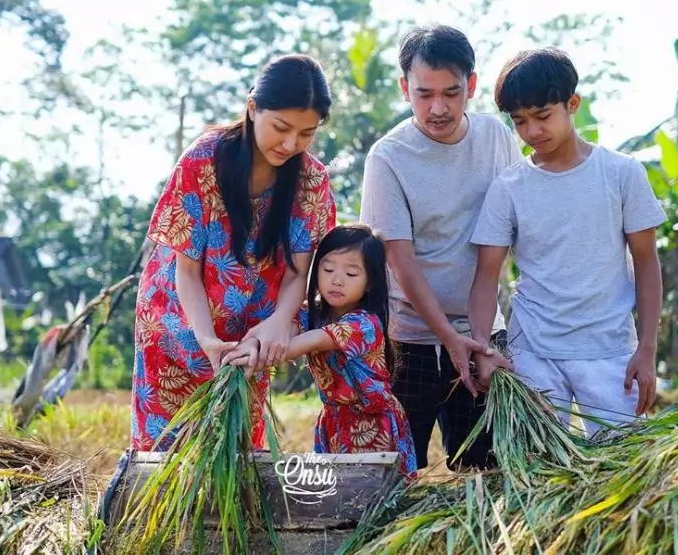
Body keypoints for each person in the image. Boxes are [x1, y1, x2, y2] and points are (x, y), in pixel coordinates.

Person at [130, 53, 338, 453]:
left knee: (234, 450)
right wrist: (206, 340)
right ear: (252, 107)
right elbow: (186, 272)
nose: (291, 144)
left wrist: (279, 322)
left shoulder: (311, 179)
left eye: (307, 133)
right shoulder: (204, 159)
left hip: (251, 332)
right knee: (164, 453)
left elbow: (299, 272)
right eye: (281, 128)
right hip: (178, 322)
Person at [468, 47, 667, 437]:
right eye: (520, 121)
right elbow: (486, 276)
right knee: (537, 474)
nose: (532, 132)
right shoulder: (508, 188)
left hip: (609, 350)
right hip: (533, 352)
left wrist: (647, 348)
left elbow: (646, 263)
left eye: (543, 116)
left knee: (621, 470)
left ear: (572, 104)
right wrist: (483, 349)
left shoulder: (622, 173)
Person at [359, 24, 520, 471]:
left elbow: (514, 230)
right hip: (408, 339)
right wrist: (446, 336)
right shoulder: (387, 157)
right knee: (392, 473)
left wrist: (479, 338)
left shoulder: (497, 138)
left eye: (451, 93)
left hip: (483, 332)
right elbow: (400, 259)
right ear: (403, 88)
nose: (438, 108)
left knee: (485, 470)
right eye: (423, 93)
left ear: (471, 84)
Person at [227, 224, 418, 479]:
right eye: (328, 269)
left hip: (374, 423)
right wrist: (252, 345)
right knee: (335, 499)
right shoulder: (311, 312)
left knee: (376, 499)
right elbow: (283, 331)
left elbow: (311, 341)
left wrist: (255, 357)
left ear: (370, 282)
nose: (336, 280)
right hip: (334, 422)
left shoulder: (364, 324)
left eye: (351, 273)